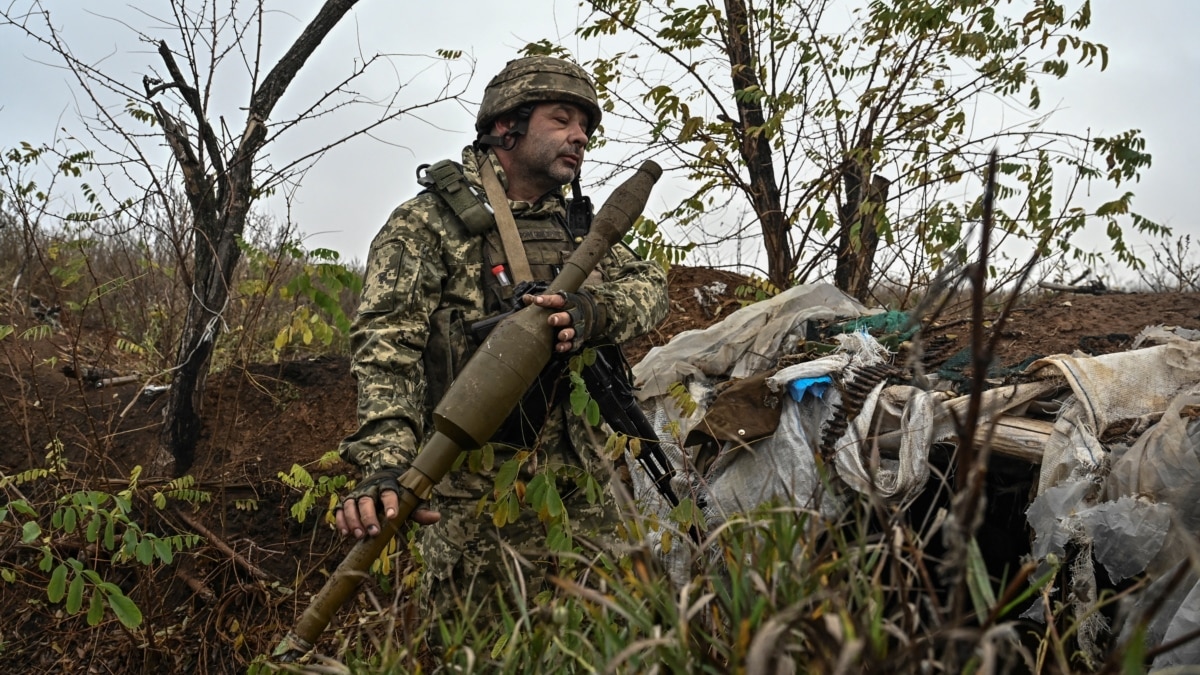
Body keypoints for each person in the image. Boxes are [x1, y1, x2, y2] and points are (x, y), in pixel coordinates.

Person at [333, 55, 669, 627]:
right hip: (475, 502)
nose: (579, 136)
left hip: (583, 489)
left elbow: (651, 286)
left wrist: (594, 311)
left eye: (586, 126)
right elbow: (387, 351)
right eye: (561, 119)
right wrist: (386, 465)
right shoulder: (429, 225)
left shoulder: (575, 227)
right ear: (504, 127)